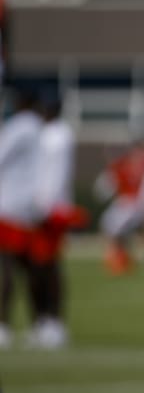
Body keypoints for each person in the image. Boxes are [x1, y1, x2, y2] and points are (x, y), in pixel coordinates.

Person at [28, 90, 80, 350]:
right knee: (38, 267)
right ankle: (43, 320)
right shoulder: (49, 134)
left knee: (48, 266)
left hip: (49, 210)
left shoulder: (57, 136)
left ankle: (53, 322)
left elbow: (54, 176)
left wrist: (44, 206)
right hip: (41, 208)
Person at [0, 89, 43, 349]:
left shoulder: (18, 127)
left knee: (6, 267)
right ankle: (43, 322)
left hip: (10, 206)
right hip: (32, 208)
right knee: (34, 268)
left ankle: (3, 324)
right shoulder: (43, 129)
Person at [94, 137, 144, 275]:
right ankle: (117, 259)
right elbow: (105, 186)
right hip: (126, 205)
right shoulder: (123, 165)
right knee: (111, 226)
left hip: (138, 206)